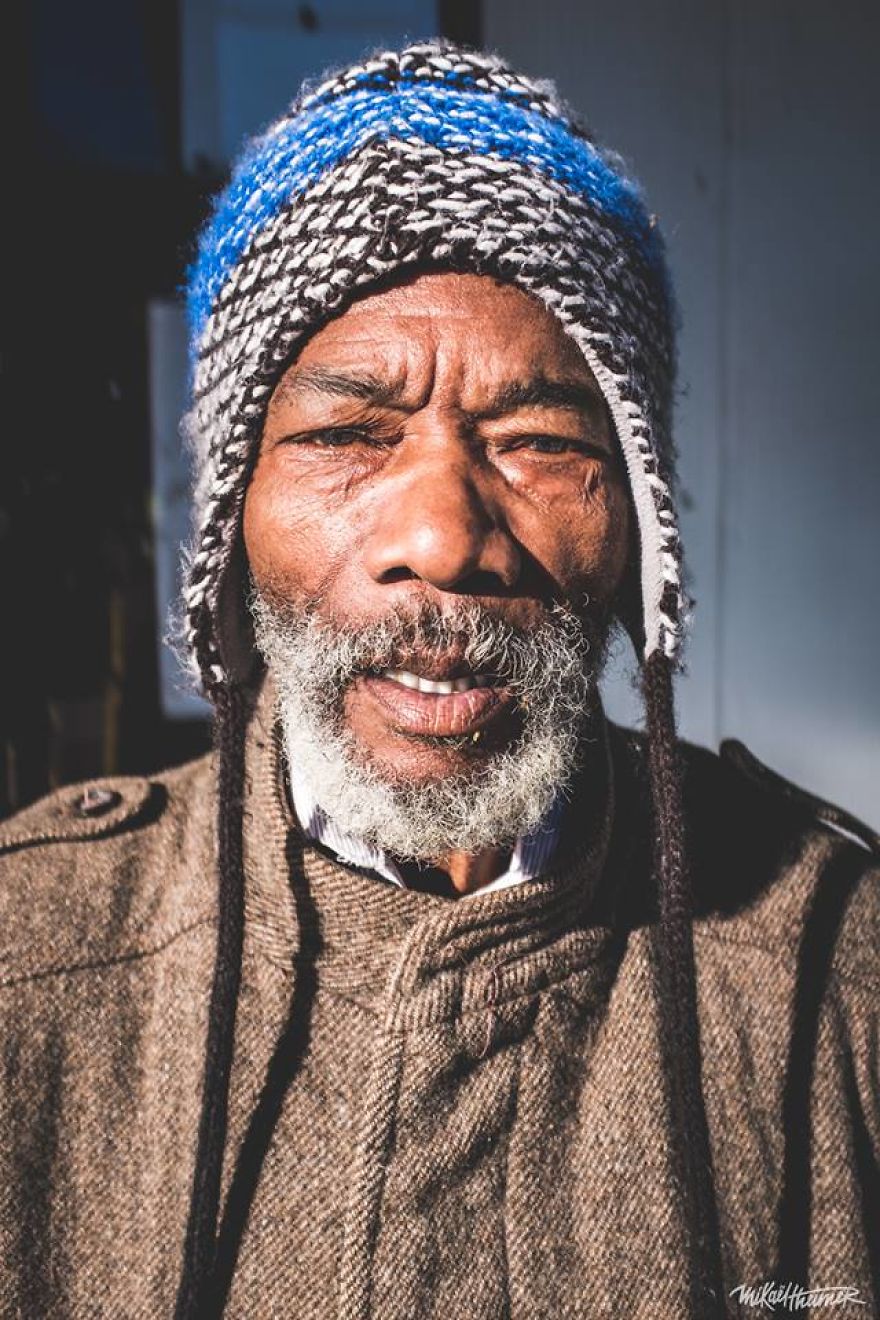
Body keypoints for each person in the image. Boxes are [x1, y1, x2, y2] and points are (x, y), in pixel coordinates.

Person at [1, 41, 876, 1320]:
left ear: (639, 526)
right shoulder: (31, 962)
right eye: (347, 435)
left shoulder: (838, 976)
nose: (443, 534)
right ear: (230, 515)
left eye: (536, 442)